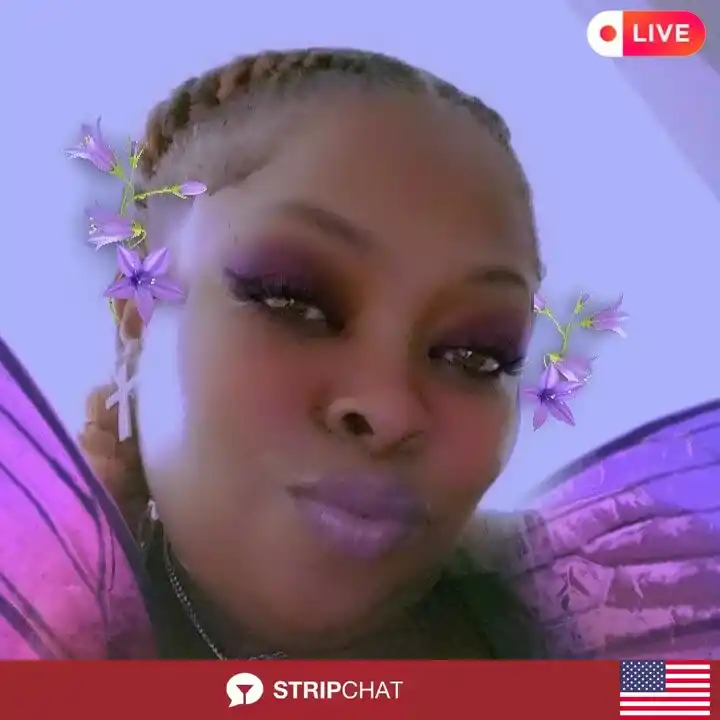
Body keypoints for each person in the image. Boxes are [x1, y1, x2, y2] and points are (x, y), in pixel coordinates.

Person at [4, 48, 716, 660]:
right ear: (138, 321)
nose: (391, 408)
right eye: (293, 300)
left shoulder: (624, 643)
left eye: (477, 354)